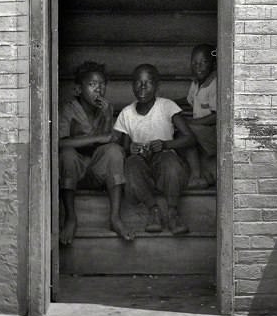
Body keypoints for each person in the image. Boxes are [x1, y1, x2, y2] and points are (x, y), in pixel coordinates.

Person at [114, 64, 194, 235]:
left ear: (157, 86)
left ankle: (173, 212)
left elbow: (190, 138)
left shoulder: (167, 106)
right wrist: (131, 148)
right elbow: (124, 147)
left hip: (166, 167)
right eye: (138, 82)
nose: (142, 87)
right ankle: (153, 210)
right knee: (131, 164)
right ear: (132, 86)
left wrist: (165, 145)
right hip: (142, 168)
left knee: (169, 160)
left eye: (148, 82)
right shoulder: (126, 113)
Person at [58, 61, 133, 244]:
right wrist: (96, 138)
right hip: (74, 171)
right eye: (92, 85)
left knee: (115, 151)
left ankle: (115, 218)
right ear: (78, 90)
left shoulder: (105, 110)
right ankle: (70, 218)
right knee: (67, 153)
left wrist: (108, 117)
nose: (98, 89)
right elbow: (60, 143)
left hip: (97, 171)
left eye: (102, 84)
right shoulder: (68, 109)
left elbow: (108, 142)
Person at [179, 44, 217, 189]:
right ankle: (198, 175)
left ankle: (195, 176)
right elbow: (188, 101)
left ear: (213, 64)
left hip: (213, 133)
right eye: (194, 63)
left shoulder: (215, 84)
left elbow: (216, 116)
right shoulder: (195, 83)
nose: (198, 67)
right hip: (200, 130)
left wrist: (192, 123)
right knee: (182, 132)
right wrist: (169, 102)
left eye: (203, 62)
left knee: (185, 130)